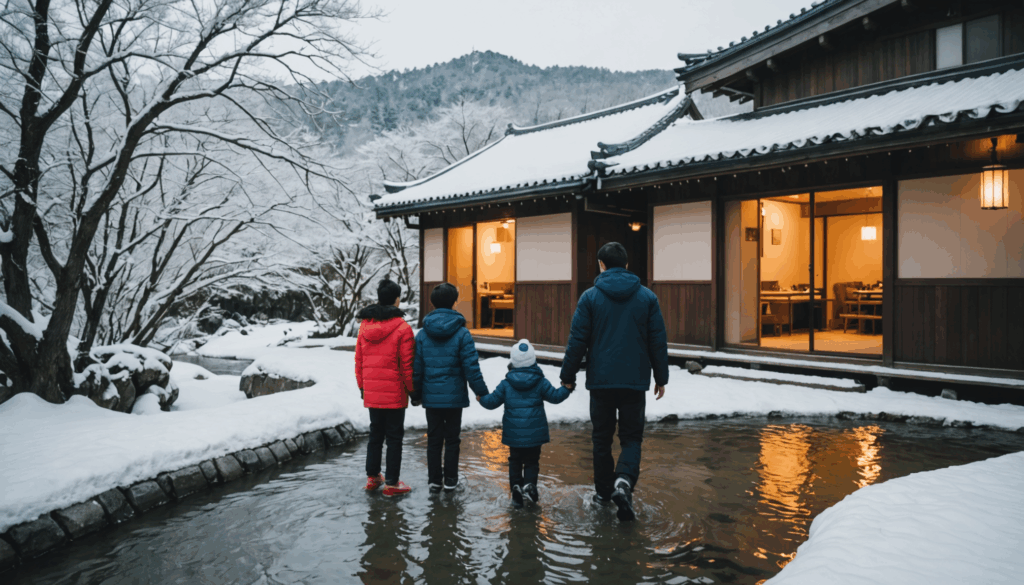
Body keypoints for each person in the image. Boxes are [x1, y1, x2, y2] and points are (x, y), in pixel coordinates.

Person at [560, 242, 669, 521]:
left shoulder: (590, 297)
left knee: (601, 440)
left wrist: (567, 376)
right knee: (632, 438)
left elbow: (577, 341)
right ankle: (624, 482)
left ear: (601, 265)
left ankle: (602, 494)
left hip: (600, 382)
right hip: (634, 382)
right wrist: (661, 377)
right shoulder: (647, 297)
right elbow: (657, 340)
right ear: (627, 265)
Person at [411, 283, 490, 493]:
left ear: (432, 303)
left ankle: (434, 481)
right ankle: (451, 480)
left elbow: (416, 368)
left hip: (431, 397)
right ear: (454, 302)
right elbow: (471, 367)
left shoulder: (421, 334)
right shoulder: (462, 333)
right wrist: (481, 392)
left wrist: (416, 393)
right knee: (452, 439)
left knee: (434, 438)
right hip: (454, 397)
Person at [479, 339, 570, 508]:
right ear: (532, 359)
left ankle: (515, 487)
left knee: (514, 460)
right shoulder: (540, 381)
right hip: (535, 434)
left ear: (513, 361)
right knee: (532, 462)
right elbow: (556, 397)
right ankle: (529, 486)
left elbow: (491, 402)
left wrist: (480, 398)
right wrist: (567, 388)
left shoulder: (506, 384)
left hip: (513, 434)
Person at [355, 279, 415, 497]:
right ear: (397, 299)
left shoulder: (364, 326)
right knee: (394, 438)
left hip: (372, 390)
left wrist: (363, 386)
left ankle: (373, 478)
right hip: (395, 393)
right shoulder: (403, 328)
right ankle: (391, 483)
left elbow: (359, 360)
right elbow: (407, 365)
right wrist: (412, 390)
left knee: (375, 435)